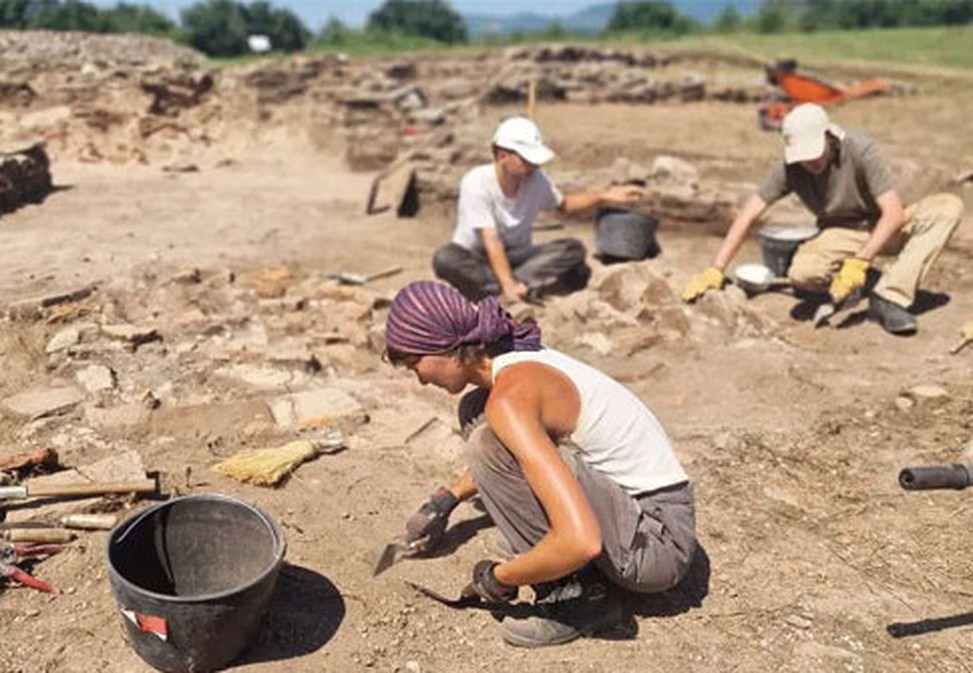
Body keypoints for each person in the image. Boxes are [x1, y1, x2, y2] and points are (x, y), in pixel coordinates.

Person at [384, 280, 696, 648]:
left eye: (413, 363)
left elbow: (581, 541)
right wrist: (446, 500)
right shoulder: (511, 357)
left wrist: (499, 577)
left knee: (488, 440)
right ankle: (553, 555)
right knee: (477, 413)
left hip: (658, 544)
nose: (418, 379)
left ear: (449, 350)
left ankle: (580, 599)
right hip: (645, 510)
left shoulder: (512, 397)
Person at [682, 103, 964, 335]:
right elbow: (748, 214)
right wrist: (715, 269)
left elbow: (893, 212)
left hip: (886, 226)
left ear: (829, 136)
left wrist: (860, 261)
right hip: (841, 231)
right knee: (802, 275)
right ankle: (862, 282)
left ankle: (888, 297)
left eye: (814, 152)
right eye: (803, 156)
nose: (810, 162)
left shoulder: (860, 148)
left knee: (947, 208)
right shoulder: (788, 168)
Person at [433, 116, 643, 303]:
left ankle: (507, 285)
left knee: (572, 248)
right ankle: (504, 289)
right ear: (503, 156)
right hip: (475, 258)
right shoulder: (476, 182)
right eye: (527, 159)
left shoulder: (536, 180)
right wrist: (507, 285)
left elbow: (565, 204)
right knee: (445, 258)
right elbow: (490, 239)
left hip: (517, 258)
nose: (534, 165)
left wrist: (603, 195)